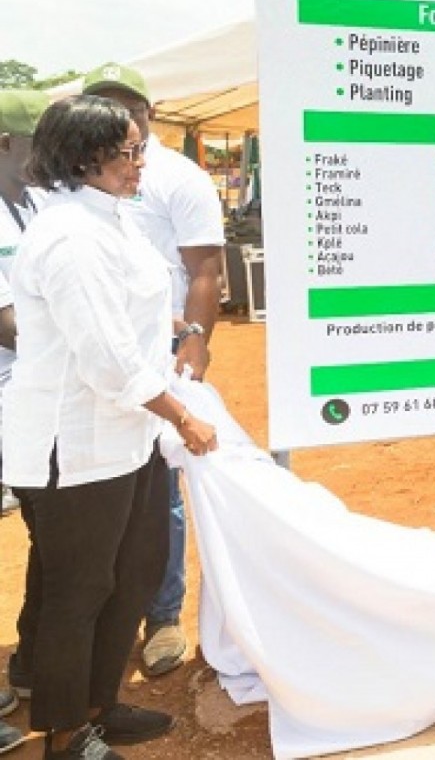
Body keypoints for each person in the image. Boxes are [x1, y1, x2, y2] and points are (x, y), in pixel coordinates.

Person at [1, 96, 218, 760]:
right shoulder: (69, 236)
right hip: (78, 444)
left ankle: (100, 702)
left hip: (127, 434)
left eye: (140, 147)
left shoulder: (112, 220)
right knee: (81, 588)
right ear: (83, 157)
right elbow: (104, 357)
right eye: (127, 151)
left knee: (134, 571)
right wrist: (182, 414)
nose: (140, 161)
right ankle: (66, 732)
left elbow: (136, 318)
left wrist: (184, 331)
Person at [81, 62, 226, 678]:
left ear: (151, 111)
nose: (119, 116)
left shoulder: (179, 177)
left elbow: (203, 270)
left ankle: (163, 617)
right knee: (105, 485)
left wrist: (193, 342)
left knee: (160, 485)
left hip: (158, 355)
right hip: (95, 357)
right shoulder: (81, 175)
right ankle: (98, 617)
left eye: (127, 105)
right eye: (104, 104)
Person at [0, 89, 48, 755]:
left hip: (31, 400)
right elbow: (9, 321)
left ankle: (33, 663)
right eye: (36, 142)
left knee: (53, 528)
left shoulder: (33, 202)